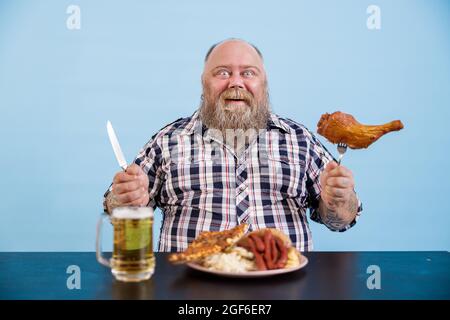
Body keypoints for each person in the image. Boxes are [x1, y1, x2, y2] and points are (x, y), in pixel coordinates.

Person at [103, 38, 362, 252]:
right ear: (204, 82)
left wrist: (339, 202)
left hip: (283, 286)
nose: (236, 82)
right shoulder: (169, 141)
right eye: (222, 72)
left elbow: (339, 221)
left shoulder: (300, 140)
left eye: (248, 73)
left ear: (264, 84)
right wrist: (123, 197)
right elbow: (119, 210)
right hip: (187, 287)